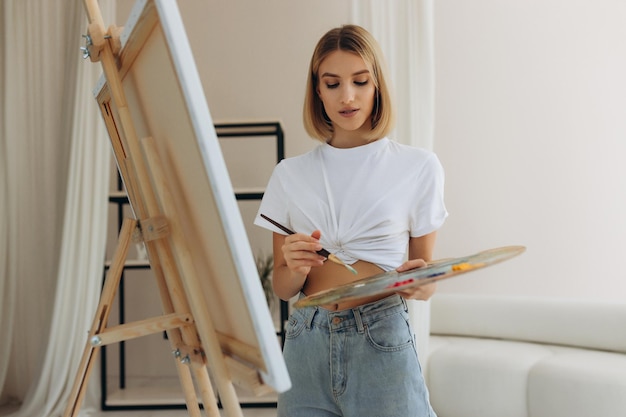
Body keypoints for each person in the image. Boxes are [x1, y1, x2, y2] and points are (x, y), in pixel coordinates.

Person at [254, 24, 447, 417]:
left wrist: (420, 283)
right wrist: (292, 263)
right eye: (332, 83)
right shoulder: (289, 175)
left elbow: (424, 281)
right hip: (305, 343)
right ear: (317, 90)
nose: (347, 96)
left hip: (381, 339)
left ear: (377, 85)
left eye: (360, 81)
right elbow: (284, 289)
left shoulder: (418, 167)